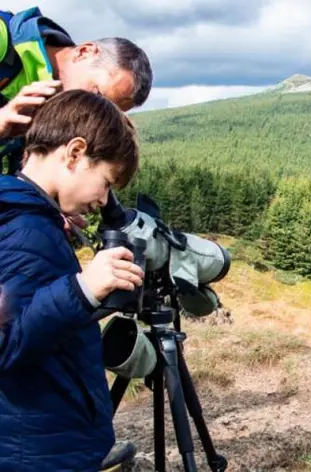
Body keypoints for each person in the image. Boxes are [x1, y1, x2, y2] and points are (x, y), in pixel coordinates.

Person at [0, 90, 144, 471]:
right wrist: (82, 289)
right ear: (75, 153)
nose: (103, 200)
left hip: (45, 440)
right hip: (33, 452)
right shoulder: (22, 230)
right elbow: (6, 344)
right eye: (106, 181)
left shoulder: (34, 220)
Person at [0, 6, 152, 173]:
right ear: (84, 52)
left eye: (103, 113)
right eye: (97, 95)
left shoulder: (52, 118)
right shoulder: (4, 38)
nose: (92, 112)